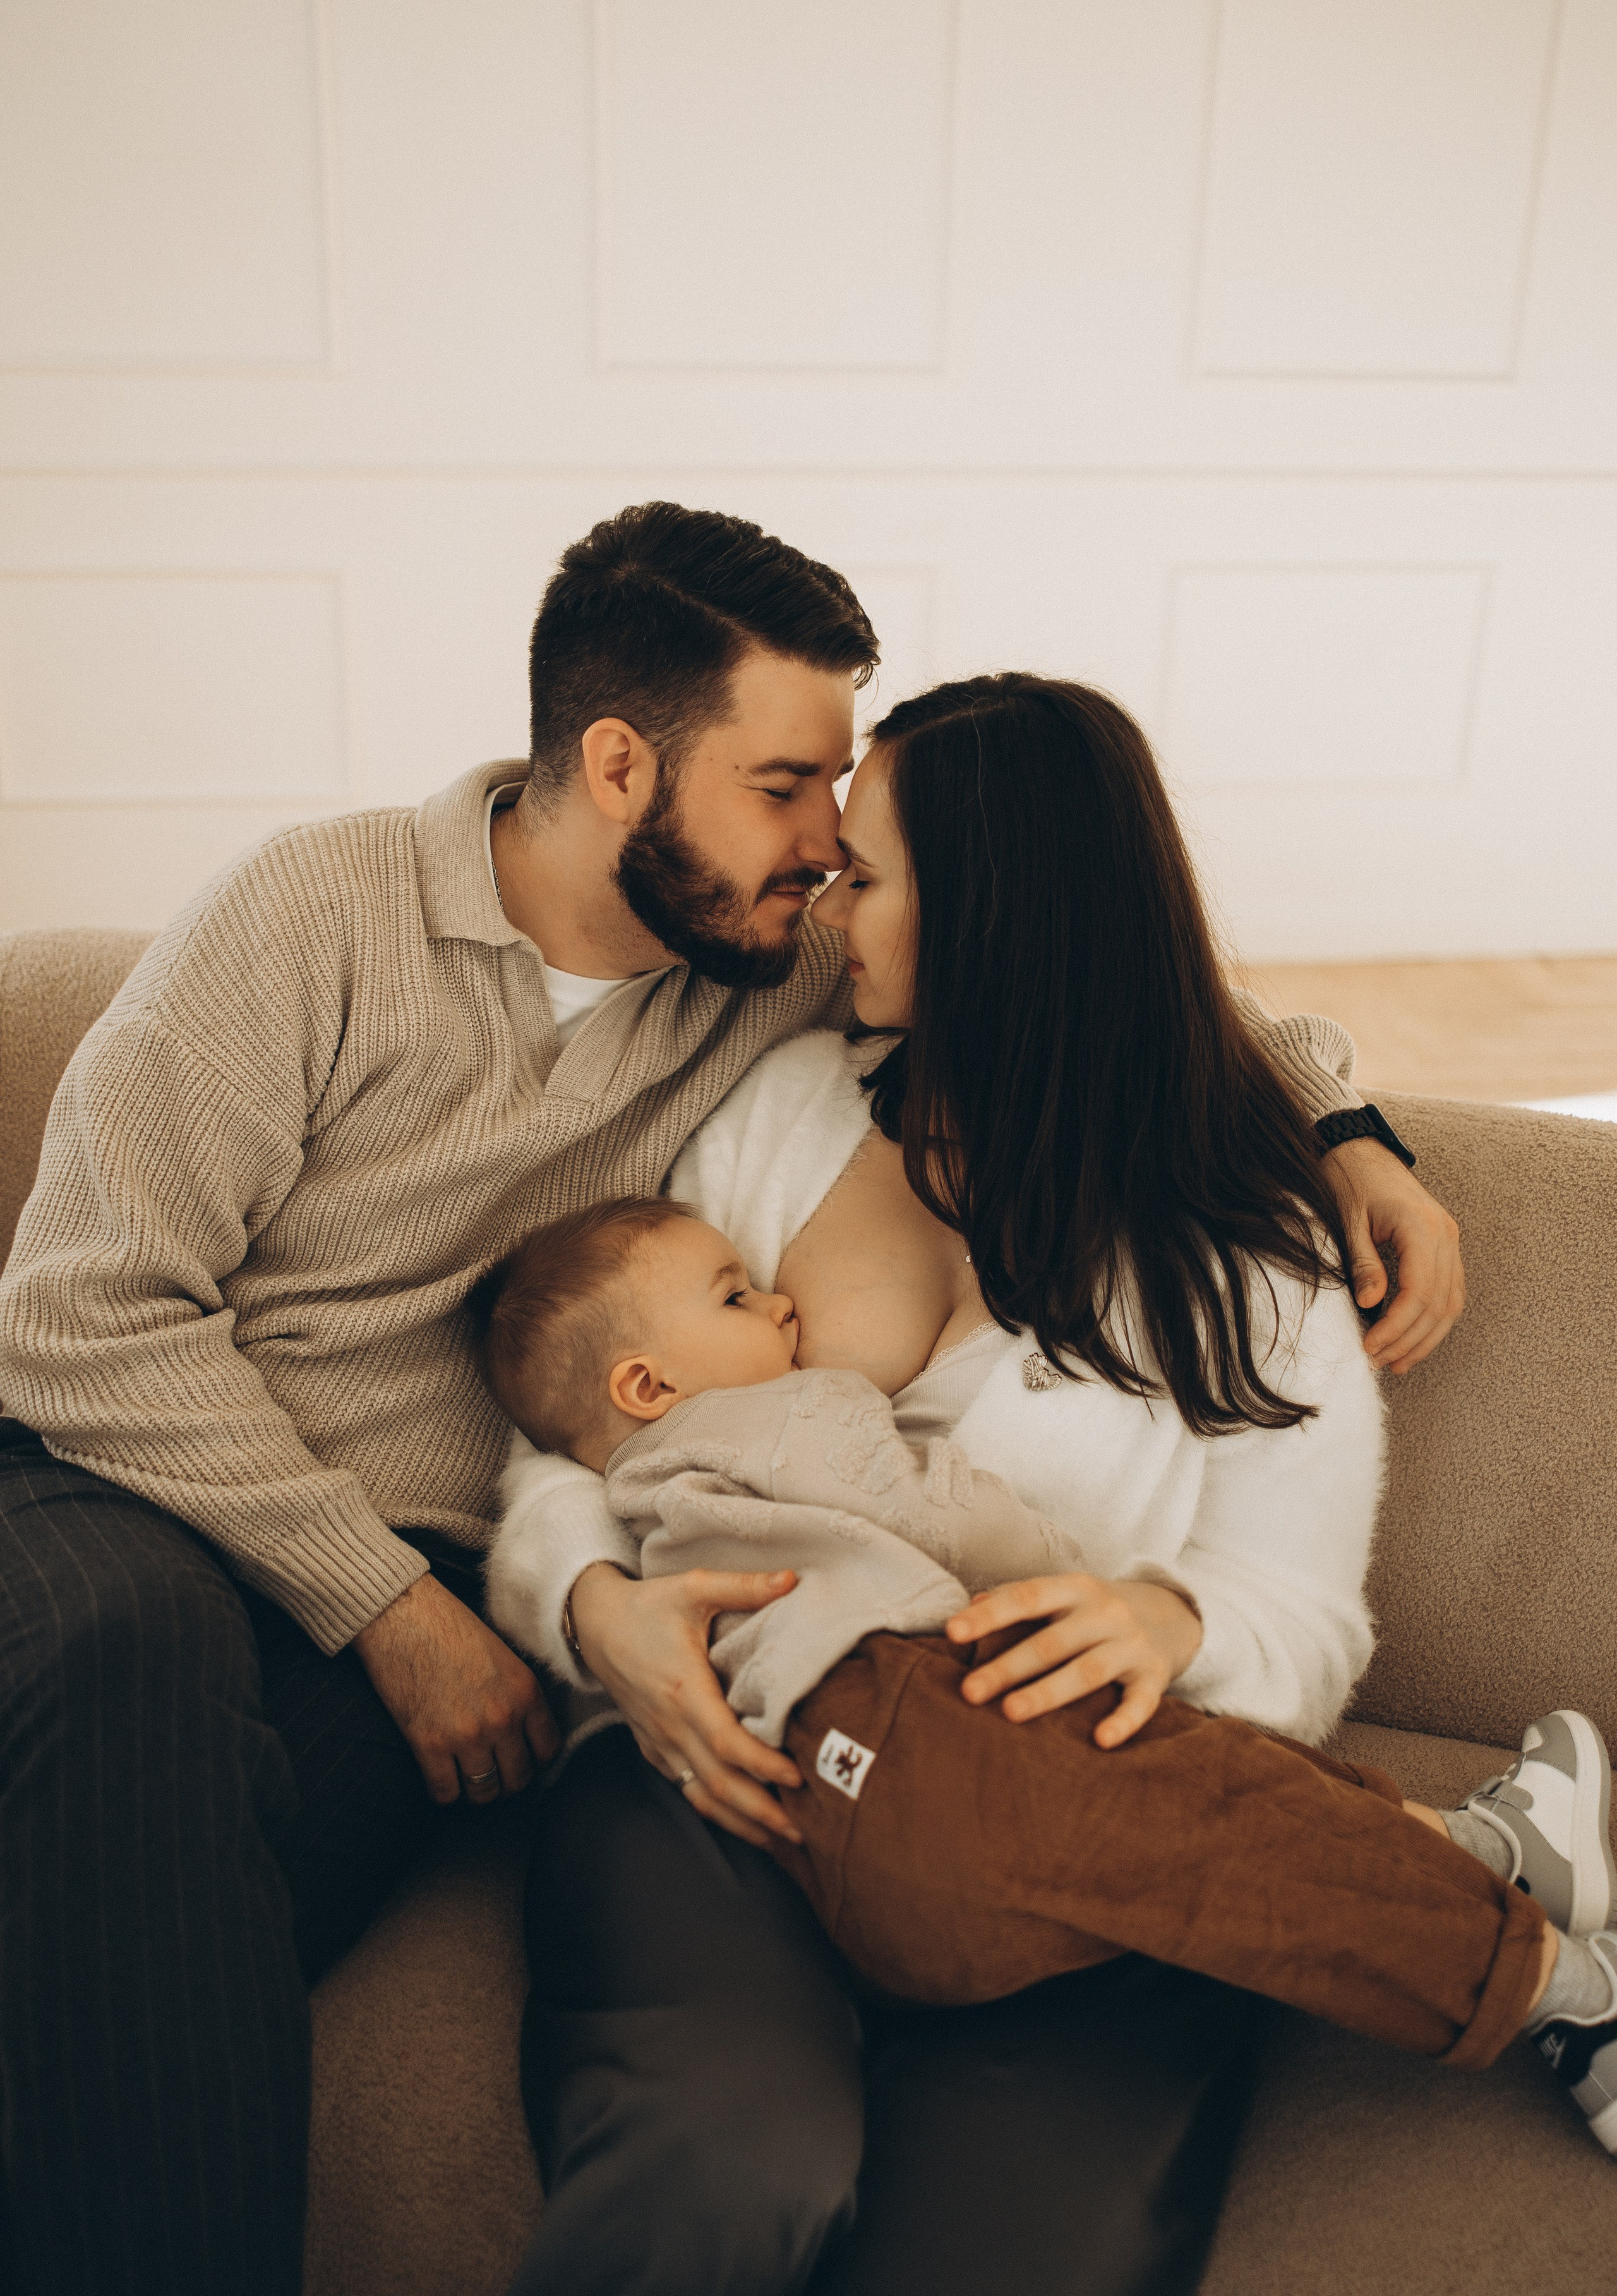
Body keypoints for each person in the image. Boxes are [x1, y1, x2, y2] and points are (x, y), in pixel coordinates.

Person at [0, 505, 1461, 2296]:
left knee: (156, 1940)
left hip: (446, 1587)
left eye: (848, 809)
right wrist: (403, 1607)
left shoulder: (754, 987)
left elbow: (1084, 958)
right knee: (119, 1671)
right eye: (787, 786)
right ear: (621, 767)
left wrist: (1340, 1115)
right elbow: (79, 1317)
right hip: (137, 1492)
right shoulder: (313, 920)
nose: (824, 845)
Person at [478, 1187, 1617, 2144]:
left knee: (1208, 1781)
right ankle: (1557, 1988)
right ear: (644, 1384)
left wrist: (1348, 1127)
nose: (778, 1297)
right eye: (736, 1295)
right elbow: (936, 1511)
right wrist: (1070, 1576)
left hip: (849, 1839)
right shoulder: (783, 1415)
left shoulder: (642, 1493)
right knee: (1232, 1837)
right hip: (906, 1718)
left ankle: (1489, 1848)